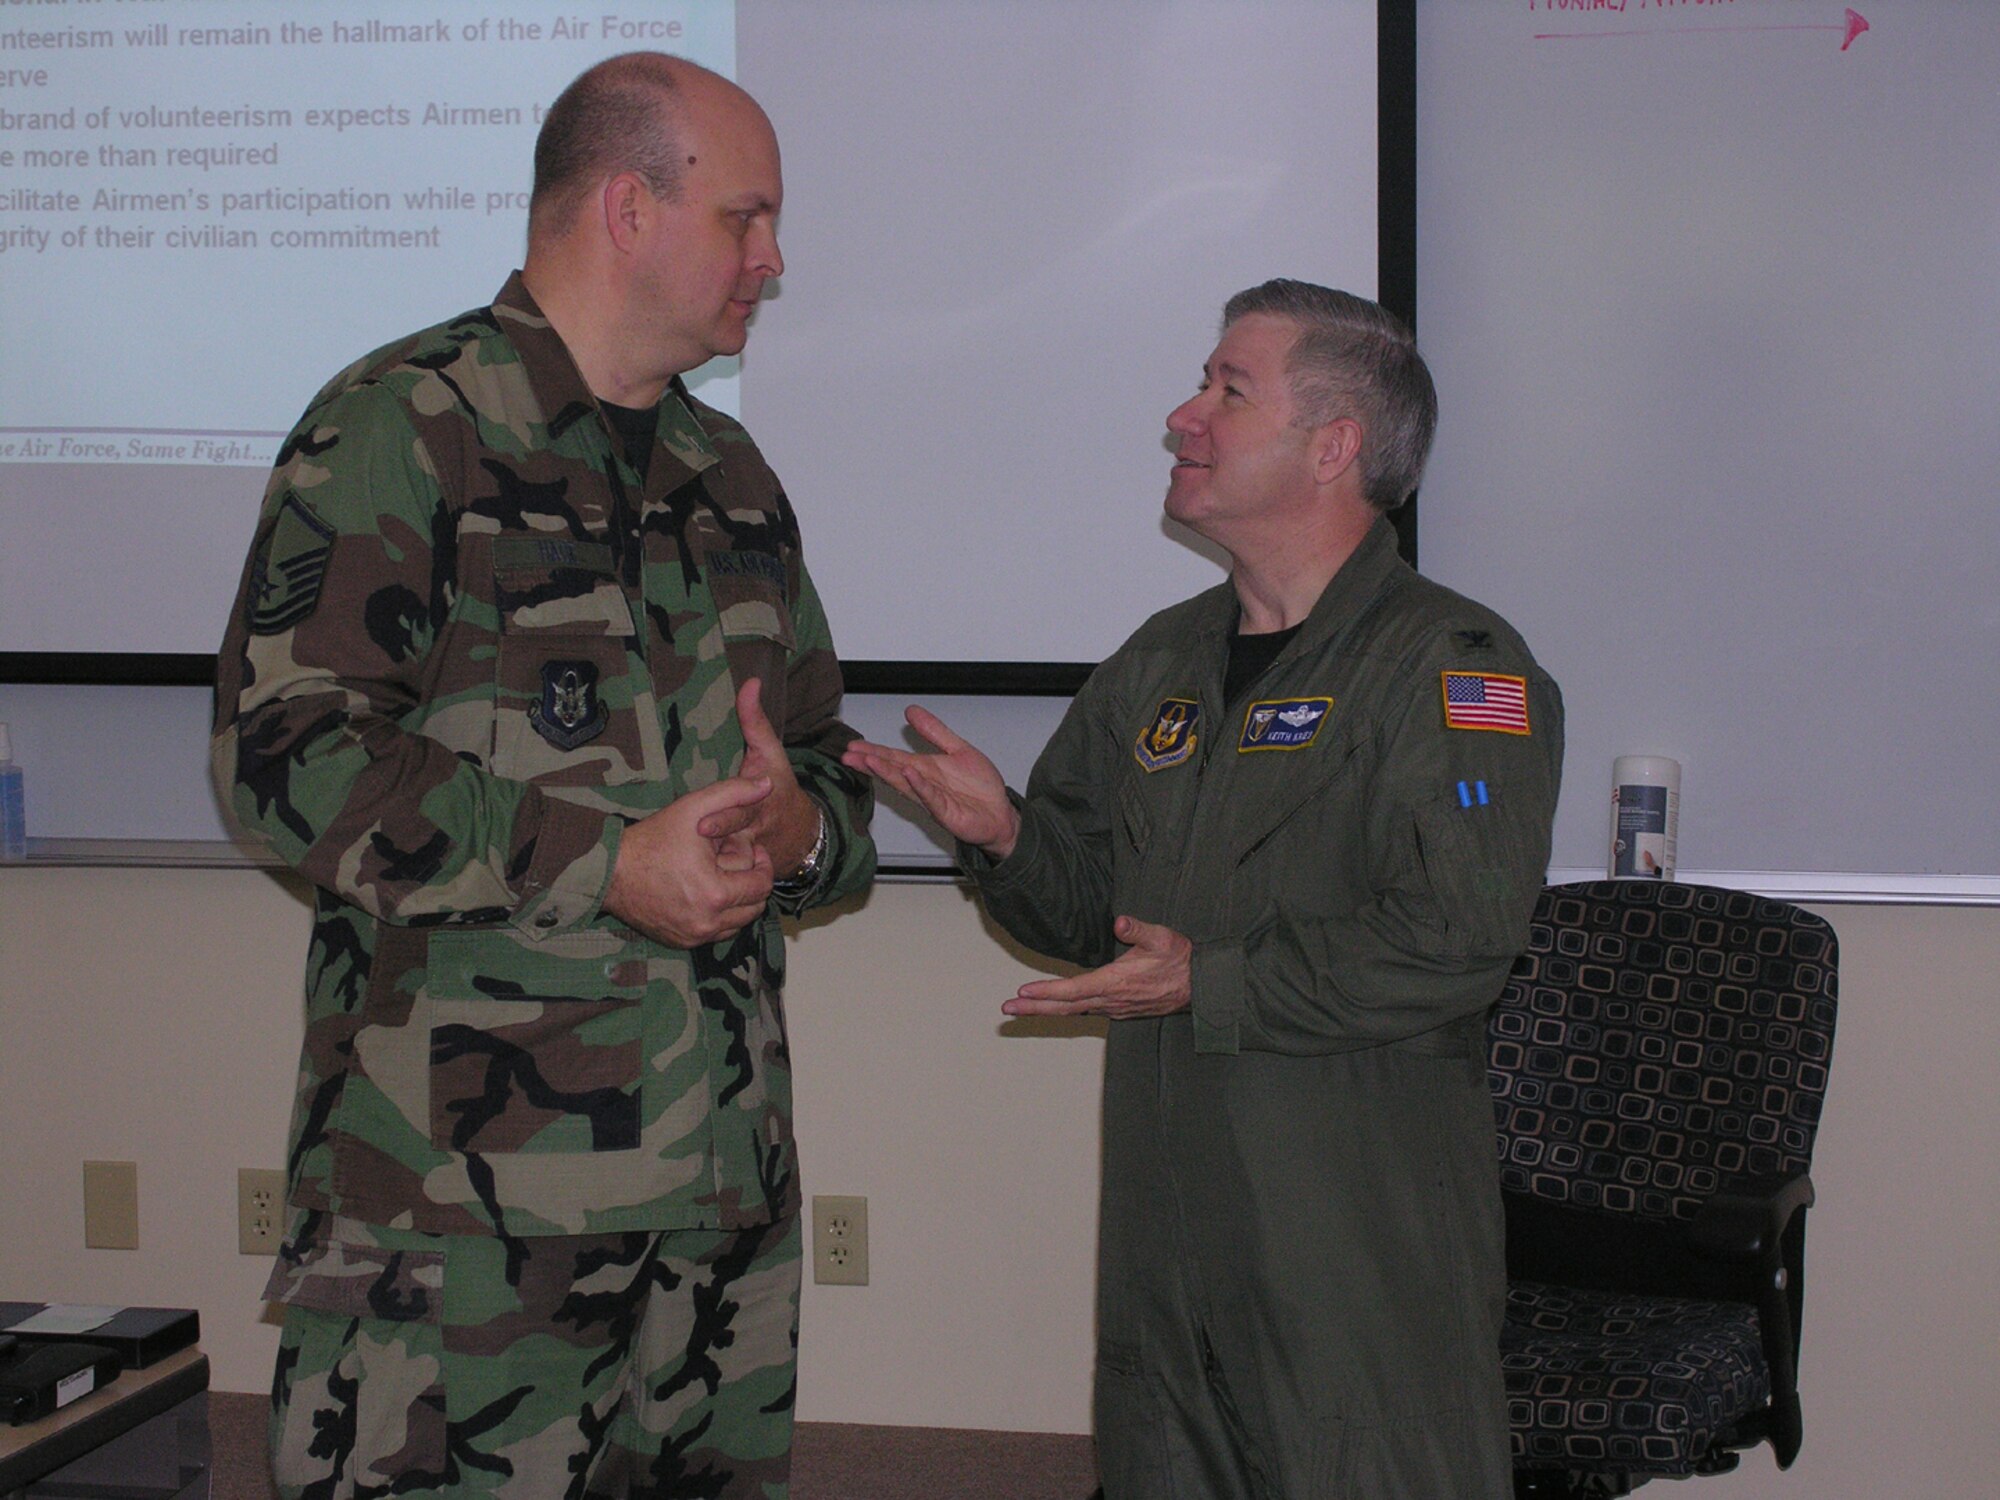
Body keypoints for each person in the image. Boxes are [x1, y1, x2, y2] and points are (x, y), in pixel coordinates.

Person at [211, 53, 875, 1499]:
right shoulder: (401, 428)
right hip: (462, 1228)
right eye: (746, 219)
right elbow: (284, 760)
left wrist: (806, 824)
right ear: (629, 208)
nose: (773, 260)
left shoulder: (736, 479)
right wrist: (607, 862)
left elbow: (826, 771)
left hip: (715, 1217)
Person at [845, 280, 1562, 1498]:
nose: (1184, 417)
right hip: (1168, 1245)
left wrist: (1211, 979)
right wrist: (1006, 835)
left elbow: (1459, 935)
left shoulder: (1453, 668)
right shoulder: (1161, 660)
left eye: (1228, 391)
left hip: (1348, 1242)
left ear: (1332, 445)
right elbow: (1087, 921)